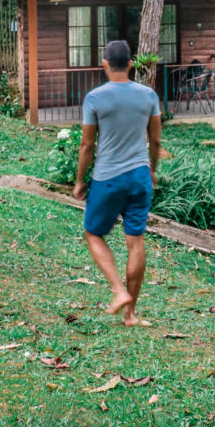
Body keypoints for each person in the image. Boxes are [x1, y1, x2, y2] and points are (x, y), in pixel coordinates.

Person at [73, 39, 161, 326]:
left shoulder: (95, 98)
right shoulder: (148, 96)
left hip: (107, 178)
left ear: (105, 64)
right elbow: (156, 139)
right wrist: (152, 170)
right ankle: (131, 314)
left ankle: (118, 290)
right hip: (139, 176)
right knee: (135, 241)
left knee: (93, 233)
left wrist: (79, 181)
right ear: (132, 64)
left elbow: (87, 145)